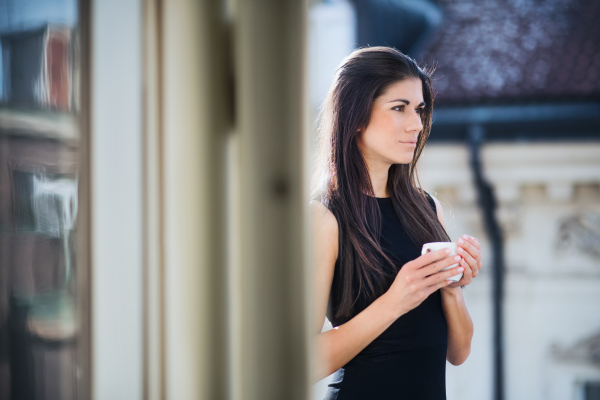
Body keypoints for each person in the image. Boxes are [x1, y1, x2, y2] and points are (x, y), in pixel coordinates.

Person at [310, 47, 483, 399]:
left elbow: (459, 352)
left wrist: (450, 285)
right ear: (355, 115)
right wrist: (397, 299)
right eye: (399, 108)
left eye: (419, 109)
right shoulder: (324, 217)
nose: (417, 124)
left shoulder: (427, 208)